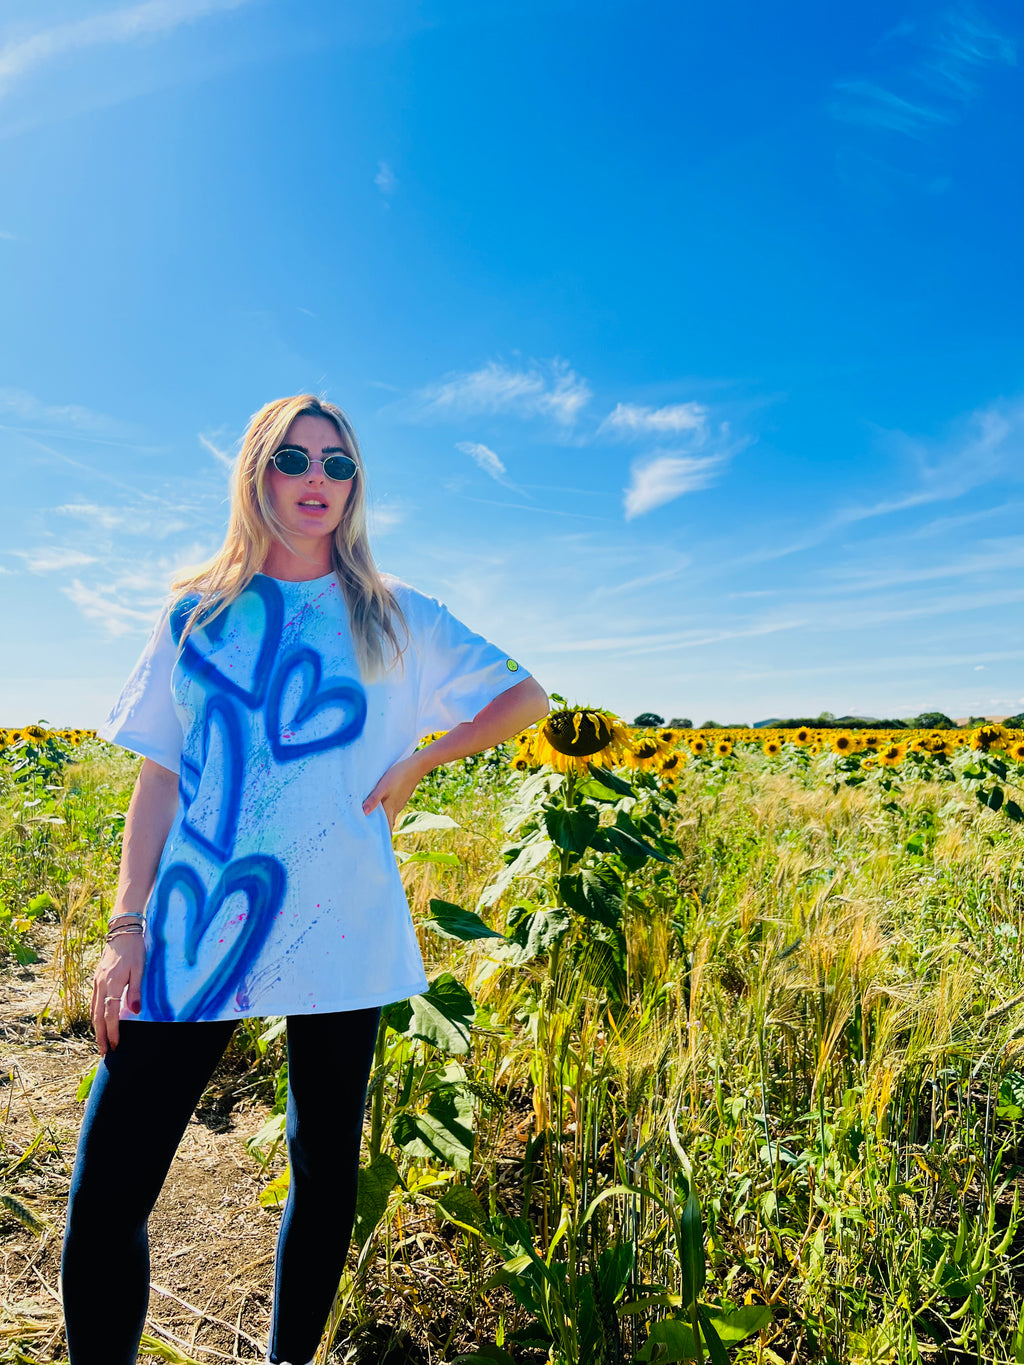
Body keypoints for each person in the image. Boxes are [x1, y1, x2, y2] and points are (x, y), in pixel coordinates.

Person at [60, 394, 549, 1365]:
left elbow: (524, 695)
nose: (318, 480)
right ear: (257, 473)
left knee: (323, 1173)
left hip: (342, 917)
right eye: (294, 459)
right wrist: (126, 928)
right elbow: (160, 777)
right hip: (197, 926)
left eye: (338, 463)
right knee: (108, 1190)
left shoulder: (392, 611)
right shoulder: (197, 617)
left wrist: (416, 762)